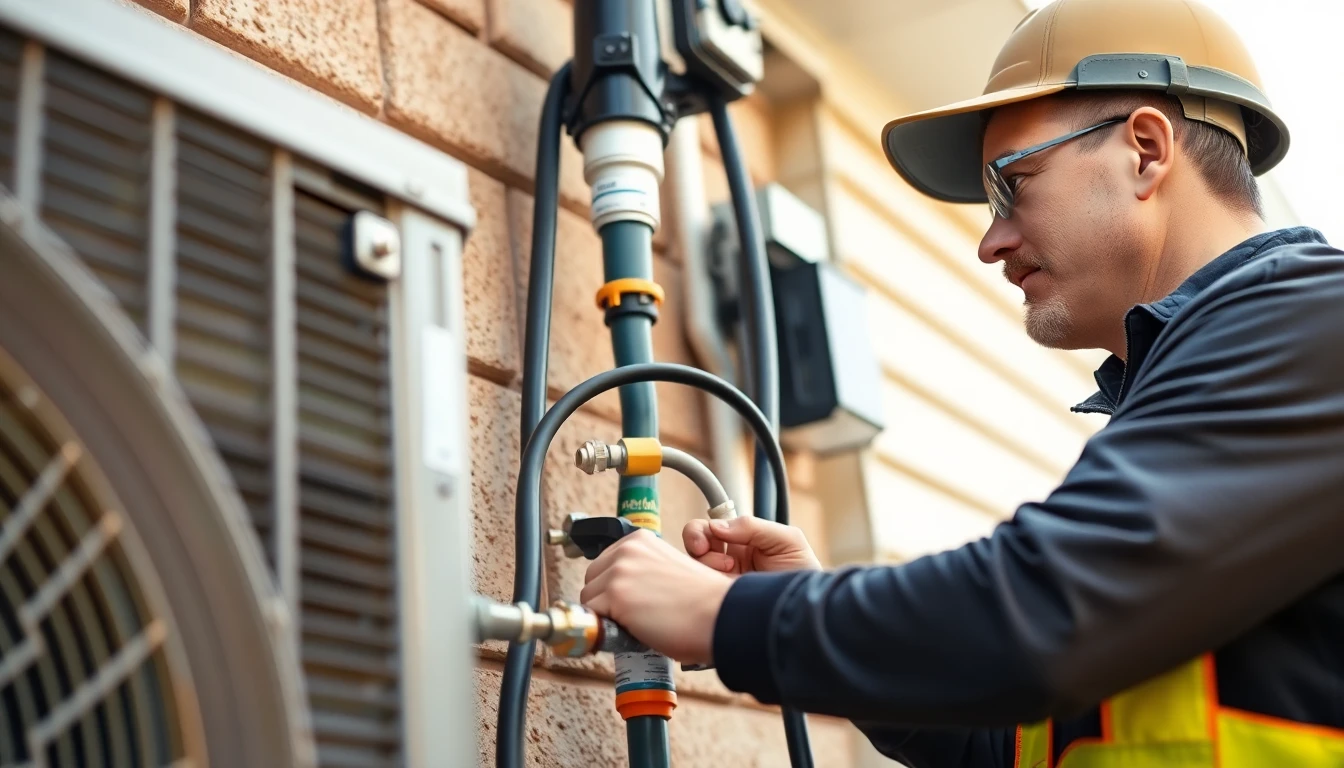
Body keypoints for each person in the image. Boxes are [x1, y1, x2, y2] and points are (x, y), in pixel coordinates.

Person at [580, 0, 1344, 765]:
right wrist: (811, 605)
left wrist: (728, 613)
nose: (990, 242)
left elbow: (1041, 615)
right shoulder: (1215, 380)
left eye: (1013, 186)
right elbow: (1012, 741)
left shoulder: (1314, 324)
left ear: (1145, 150)